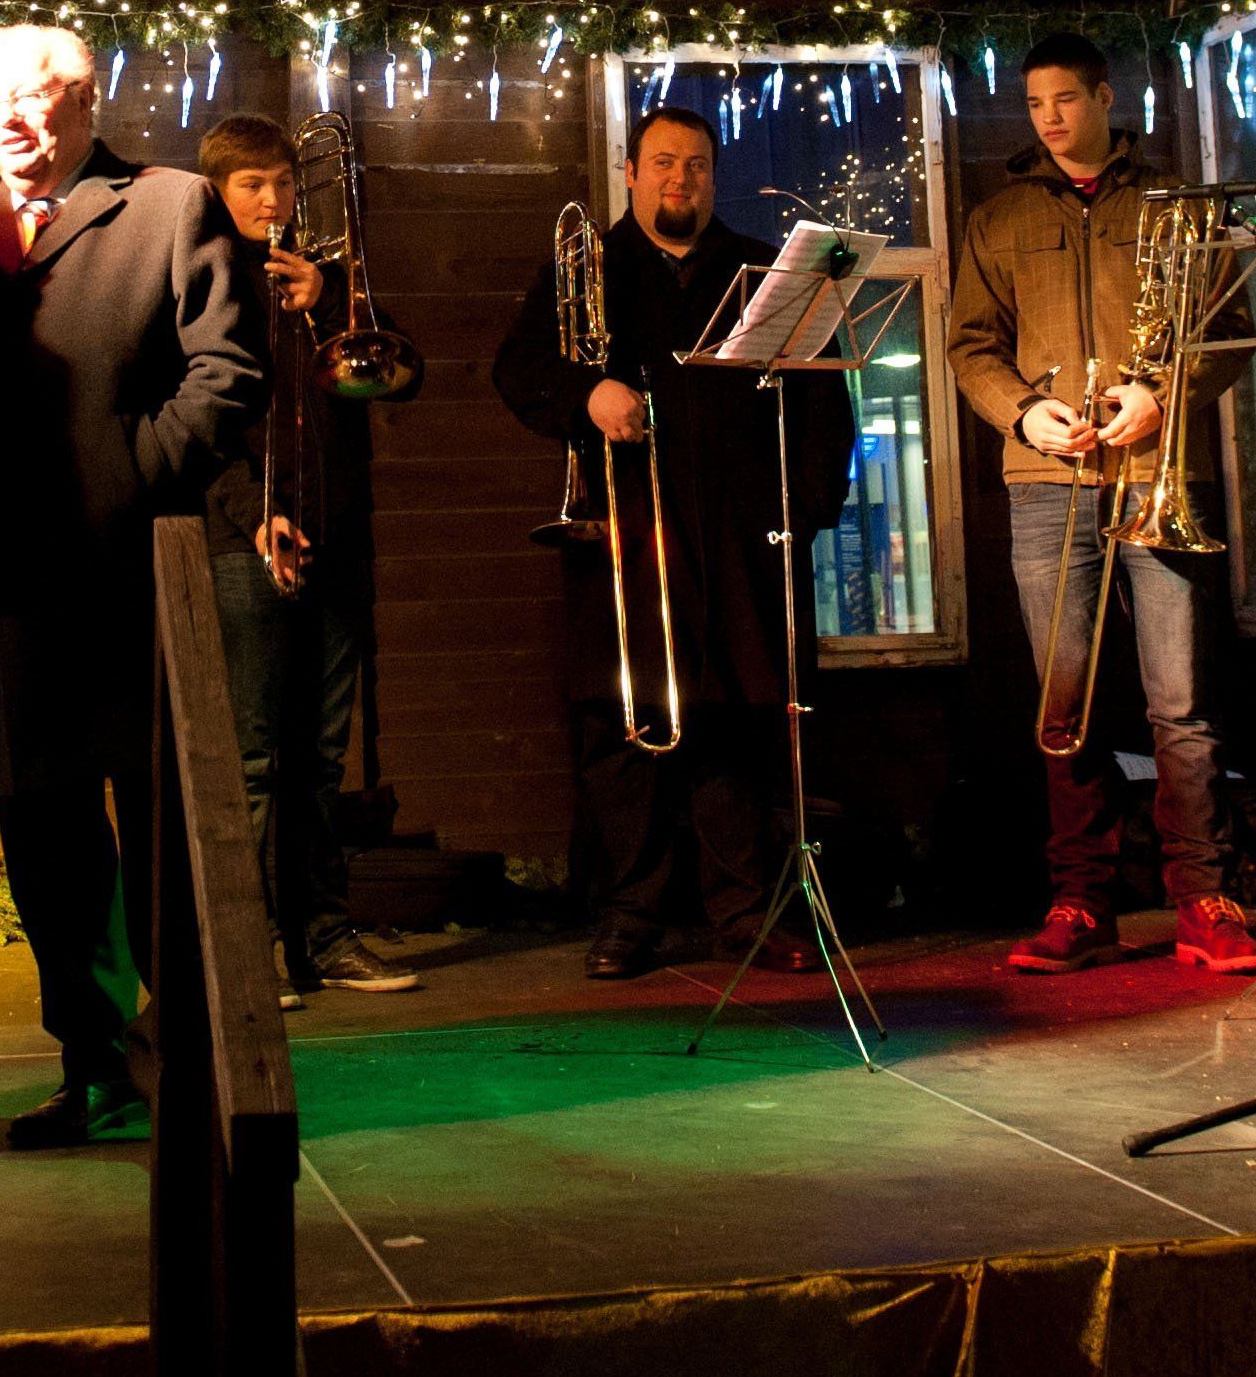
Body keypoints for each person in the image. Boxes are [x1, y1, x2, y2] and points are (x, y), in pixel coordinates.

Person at [0, 24, 268, 1146]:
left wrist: (127, 477)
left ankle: (186, 1062)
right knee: (45, 848)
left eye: (32, 97)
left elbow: (227, 375)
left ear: (83, 100)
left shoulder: (166, 204)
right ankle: (90, 1061)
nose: (8, 119)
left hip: (127, 577)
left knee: (161, 837)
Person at [491, 104, 850, 982]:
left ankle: (744, 913)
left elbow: (822, 402)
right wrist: (587, 395)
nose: (679, 179)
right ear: (630, 172)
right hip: (624, 535)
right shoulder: (586, 268)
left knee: (735, 725)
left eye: (695, 164)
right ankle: (630, 916)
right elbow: (519, 370)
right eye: (662, 162)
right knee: (622, 734)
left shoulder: (764, 272)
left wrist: (802, 515)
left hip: (738, 541)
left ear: (713, 176)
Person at [946, 33, 1256, 979]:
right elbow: (971, 347)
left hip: (1157, 471)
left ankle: (1204, 897)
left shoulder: (1174, 202)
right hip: (1048, 483)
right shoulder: (998, 216)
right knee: (1065, 701)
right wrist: (1023, 411)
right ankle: (1081, 901)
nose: (1048, 118)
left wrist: (1162, 396)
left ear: (1105, 98)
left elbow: (1228, 328)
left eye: (1065, 100)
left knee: (1183, 700)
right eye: (1034, 103)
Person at [198, 115, 422, 1002]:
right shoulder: (205, 280)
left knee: (324, 758)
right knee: (254, 760)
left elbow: (398, 374)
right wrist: (254, 516)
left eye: (285, 184)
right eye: (253, 185)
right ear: (218, 192)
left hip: (337, 536)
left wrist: (329, 299)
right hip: (244, 541)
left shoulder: (327, 282)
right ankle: (253, 945)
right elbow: (200, 426)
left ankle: (324, 937)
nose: (274, 202)